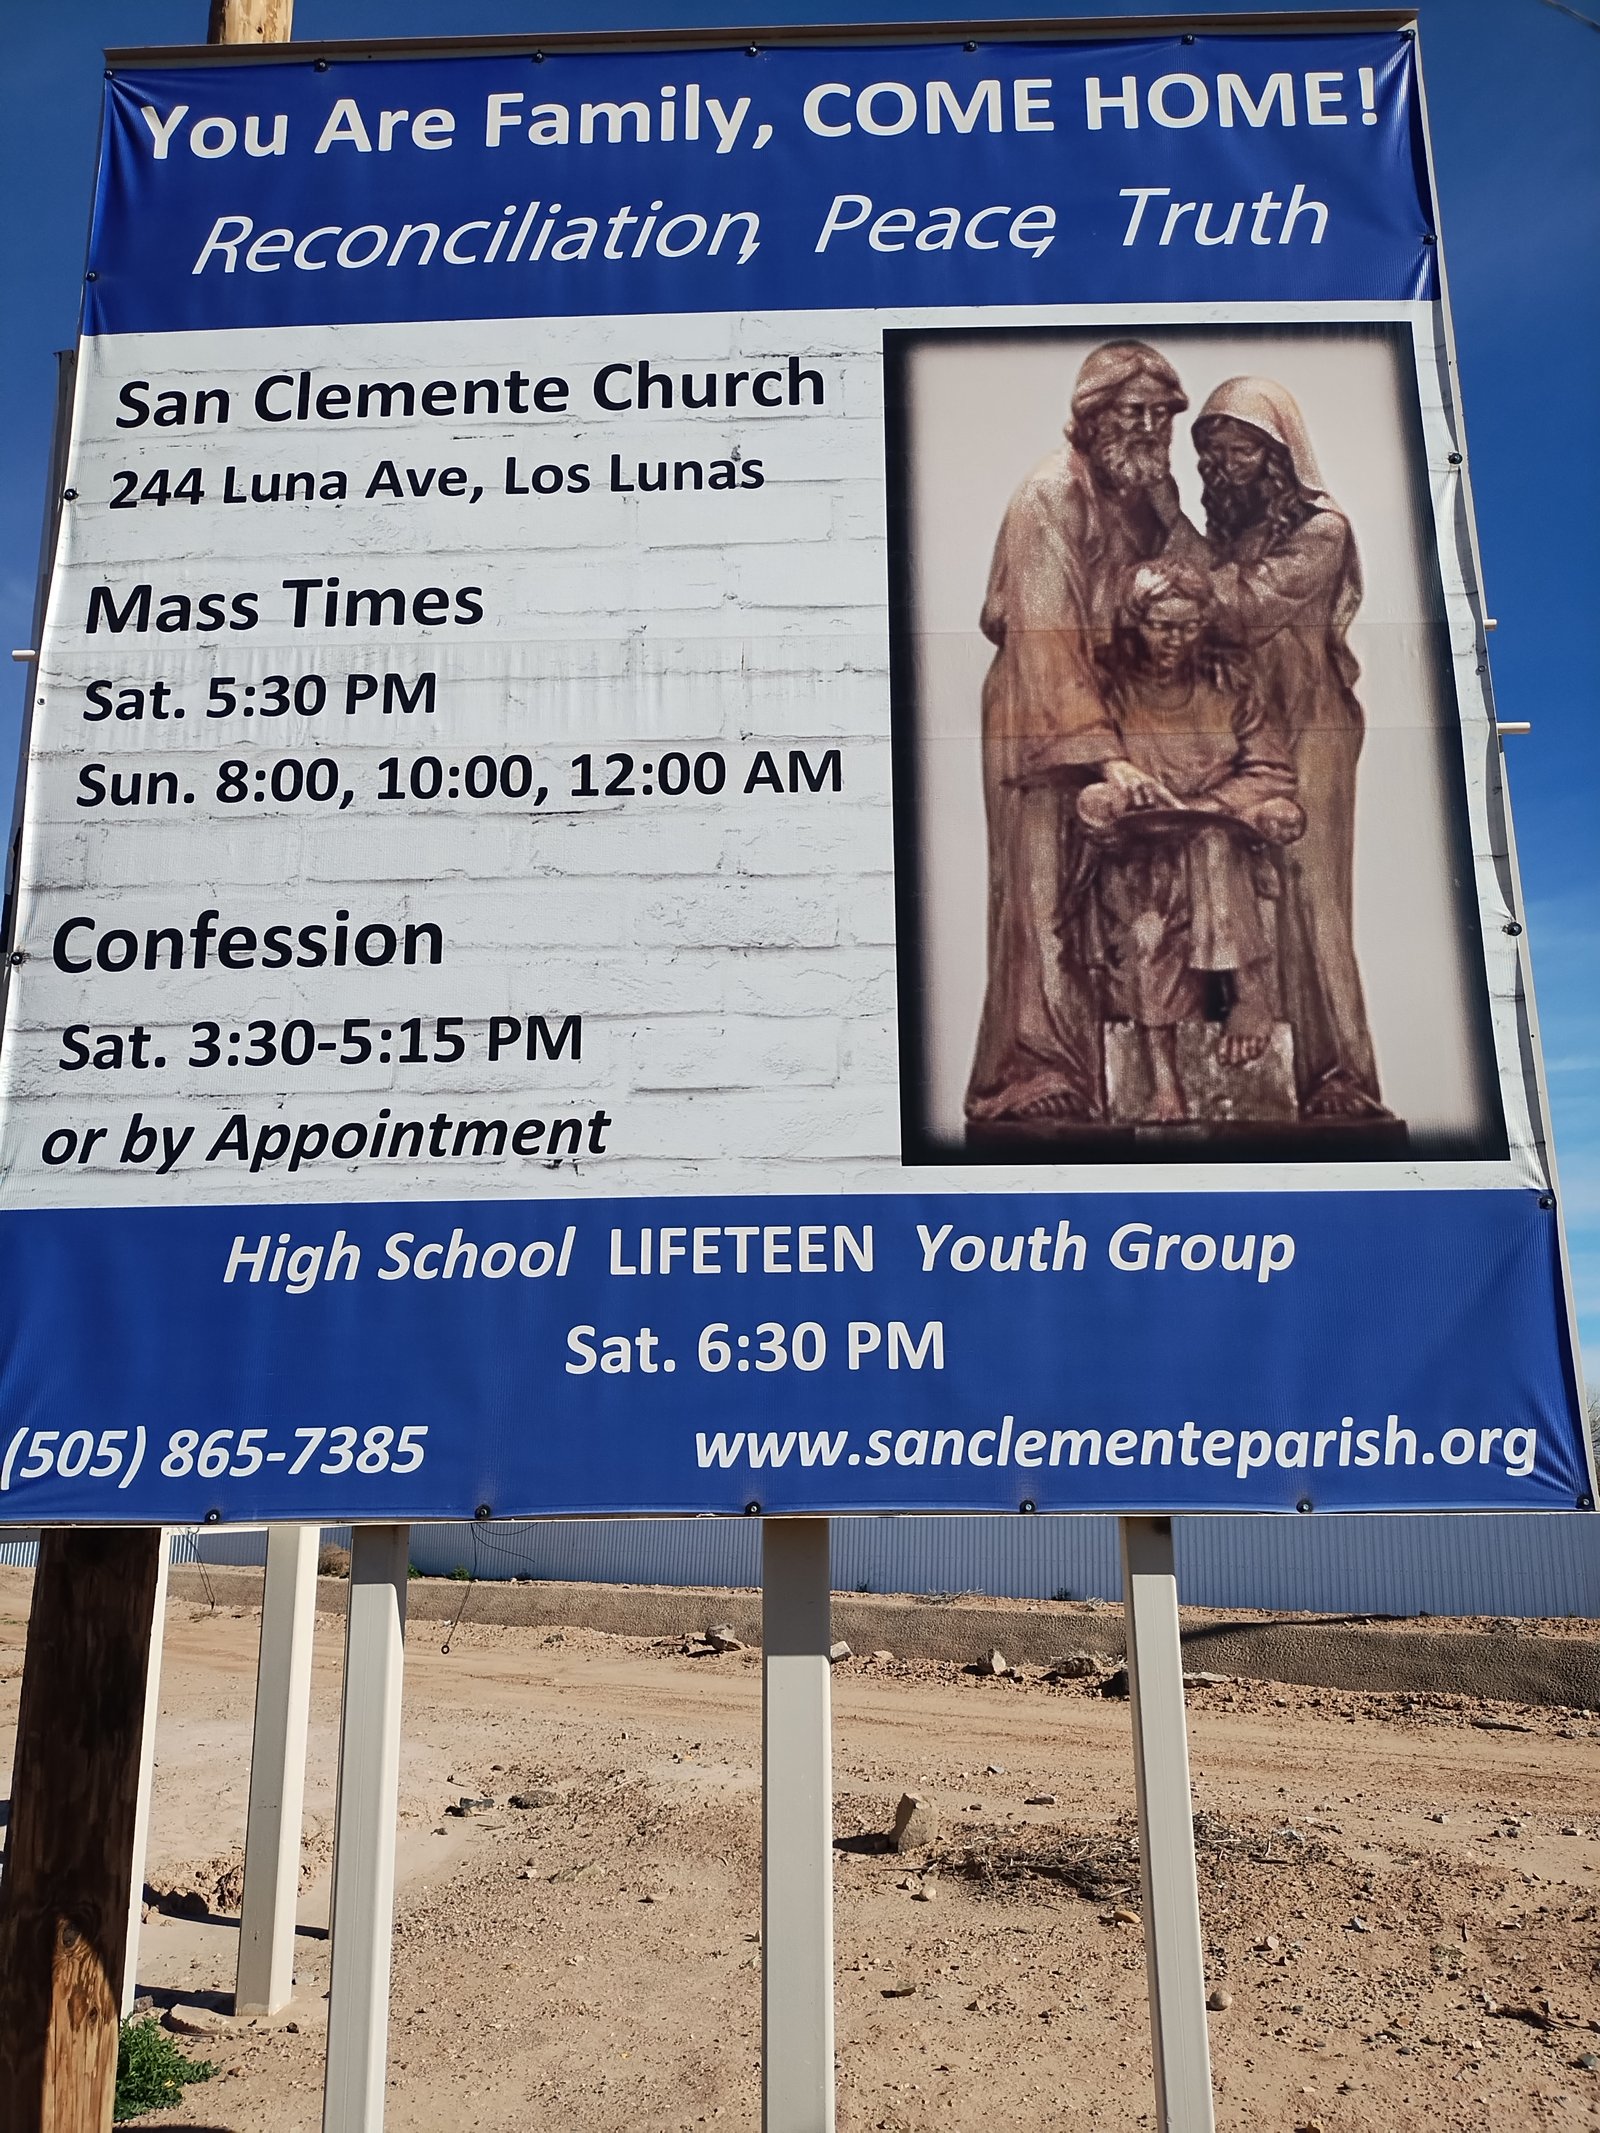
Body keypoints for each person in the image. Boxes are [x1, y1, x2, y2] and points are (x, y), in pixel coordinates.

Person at [965, 341, 1205, 1129]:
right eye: (1131, 414)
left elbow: (1197, 595)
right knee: (1044, 897)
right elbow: (1045, 636)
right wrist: (1107, 756)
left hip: (1107, 716)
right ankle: (1038, 1069)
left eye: (1160, 418)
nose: (1147, 431)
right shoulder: (1050, 497)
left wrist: (1175, 521)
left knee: (1111, 901)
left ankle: (1116, 1075)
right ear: (1093, 417)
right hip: (1042, 718)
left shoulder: (1140, 499)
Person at [1191, 377, 1389, 1121]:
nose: (1223, 468)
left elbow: (1243, 607)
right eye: (1212, 455)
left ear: (1277, 456)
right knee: (1233, 871)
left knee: (1310, 892)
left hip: (1312, 728)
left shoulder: (1323, 529)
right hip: (1243, 727)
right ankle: (1249, 1038)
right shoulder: (1231, 536)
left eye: (1238, 451)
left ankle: (1339, 1072)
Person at [1072, 563, 1304, 1123]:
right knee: (1148, 931)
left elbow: (1272, 770)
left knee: (1211, 847)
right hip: (1139, 856)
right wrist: (1119, 801)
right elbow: (1090, 775)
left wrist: (1210, 806)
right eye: (1160, 626)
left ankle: (1250, 999)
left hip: (1221, 844)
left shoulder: (1228, 689)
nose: (1174, 640)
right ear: (1137, 622)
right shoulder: (1114, 691)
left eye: (1188, 626)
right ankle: (1165, 1087)